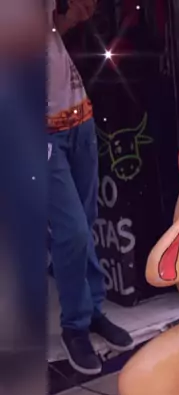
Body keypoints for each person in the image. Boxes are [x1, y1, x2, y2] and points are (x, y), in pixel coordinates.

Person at [47, 0, 133, 375]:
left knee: (86, 219)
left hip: (78, 117)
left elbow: (53, 29)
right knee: (72, 231)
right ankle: (75, 325)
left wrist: (70, 15)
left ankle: (92, 309)